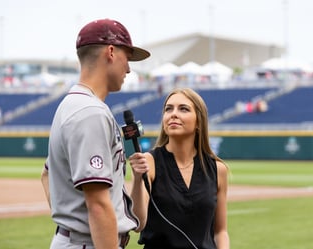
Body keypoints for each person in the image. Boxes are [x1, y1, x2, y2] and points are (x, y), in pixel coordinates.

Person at [40, 18, 150, 249]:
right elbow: (98, 206)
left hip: (76, 240)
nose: (129, 68)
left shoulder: (71, 104)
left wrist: (69, 220)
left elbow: (46, 175)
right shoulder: (90, 112)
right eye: (127, 58)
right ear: (111, 52)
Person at [129, 88, 230, 249]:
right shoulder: (149, 162)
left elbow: (220, 231)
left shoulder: (218, 170)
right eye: (168, 109)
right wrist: (137, 179)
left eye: (183, 109)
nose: (173, 114)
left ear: (199, 121)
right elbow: (138, 223)